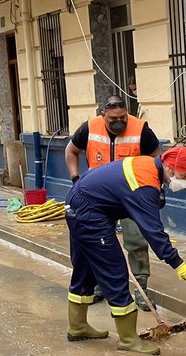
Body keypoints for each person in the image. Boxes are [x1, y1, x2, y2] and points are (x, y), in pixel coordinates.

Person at [65, 146, 186, 355]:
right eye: (185, 176)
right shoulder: (145, 184)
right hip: (89, 215)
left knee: (85, 270)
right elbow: (153, 231)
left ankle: (77, 327)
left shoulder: (148, 165)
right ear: (170, 168)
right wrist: (178, 264)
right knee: (115, 272)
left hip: (79, 206)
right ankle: (128, 339)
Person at [64, 94, 161, 309]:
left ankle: (141, 288)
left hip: (131, 195)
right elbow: (71, 151)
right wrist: (75, 179)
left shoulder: (140, 129)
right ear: (102, 115)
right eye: (113, 118)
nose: (119, 122)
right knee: (97, 243)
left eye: (123, 117)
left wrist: (156, 188)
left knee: (137, 240)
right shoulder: (89, 128)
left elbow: (158, 159)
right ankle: (99, 286)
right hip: (97, 198)